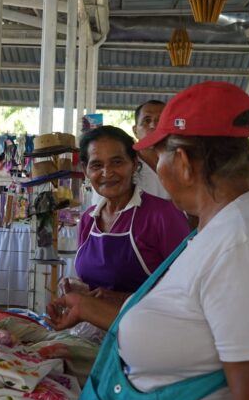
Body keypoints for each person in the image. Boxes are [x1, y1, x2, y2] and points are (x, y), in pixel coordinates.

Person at [48, 81, 249, 400]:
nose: (156, 169)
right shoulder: (218, 227)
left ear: (182, 161)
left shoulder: (244, 242)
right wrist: (88, 305)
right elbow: (182, 319)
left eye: (158, 155)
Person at [74, 125, 190, 297]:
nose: (107, 173)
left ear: (134, 163)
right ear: (85, 171)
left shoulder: (164, 216)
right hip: (90, 322)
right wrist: (77, 288)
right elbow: (90, 283)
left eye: (117, 162)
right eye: (96, 165)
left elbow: (187, 287)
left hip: (147, 323)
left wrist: (117, 298)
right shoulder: (88, 219)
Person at [132, 99, 170, 199]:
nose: (154, 126)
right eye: (147, 120)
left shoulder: (183, 163)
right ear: (135, 131)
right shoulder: (126, 166)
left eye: (161, 120)